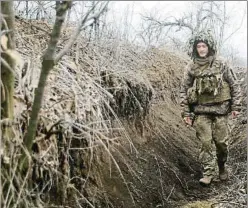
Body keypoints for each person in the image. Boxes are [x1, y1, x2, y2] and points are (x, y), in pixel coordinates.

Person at [179, 30, 241, 185]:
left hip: (221, 110)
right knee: (205, 143)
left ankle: (221, 166)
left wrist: (236, 107)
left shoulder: (222, 64)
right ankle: (208, 173)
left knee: (221, 143)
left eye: (204, 46)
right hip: (201, 111)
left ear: (209, 47)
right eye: (198, 46)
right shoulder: (191, 67)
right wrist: (186, 113)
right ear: (195, 48)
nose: (201, 49)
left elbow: (235, 85)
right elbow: (183, 90)